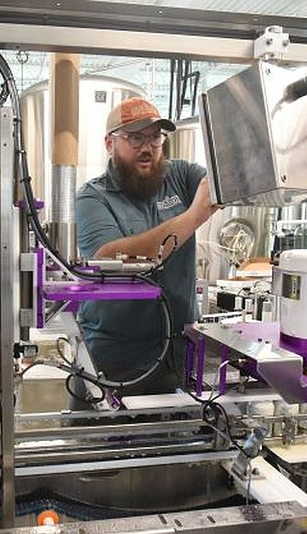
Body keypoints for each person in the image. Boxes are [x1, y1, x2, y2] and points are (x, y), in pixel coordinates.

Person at [74, 97, 217, 403]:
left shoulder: (181, 176)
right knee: (100, 445)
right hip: (114, 360)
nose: (147, 147)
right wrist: (192, 217)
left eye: (155, 137)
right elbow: (110, 257)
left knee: (176, 445)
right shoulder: (93, 197)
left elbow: (226, 181)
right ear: (109, 144)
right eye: (135, 137)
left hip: (178, 353)